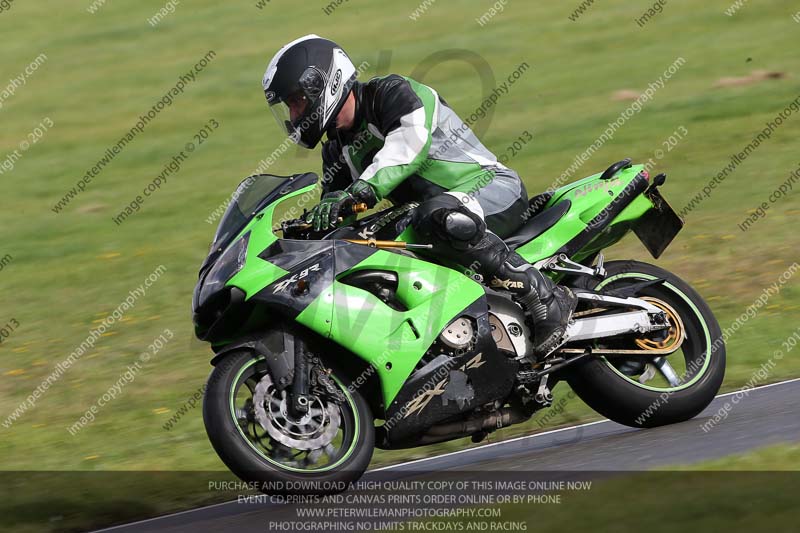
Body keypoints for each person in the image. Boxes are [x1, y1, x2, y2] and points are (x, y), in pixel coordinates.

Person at [262, 35, 577, 358]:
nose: (295, 113)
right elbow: (338, 209)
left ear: (322, 83)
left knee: (435, 215)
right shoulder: (336, 148)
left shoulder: (393, 93)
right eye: (289, 106)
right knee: (360, 244)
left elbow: (406, 146)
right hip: (431, 216)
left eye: (297, 100)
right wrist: (310, 229)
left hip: (492, 189)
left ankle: (548, 300)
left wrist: (360, 191)